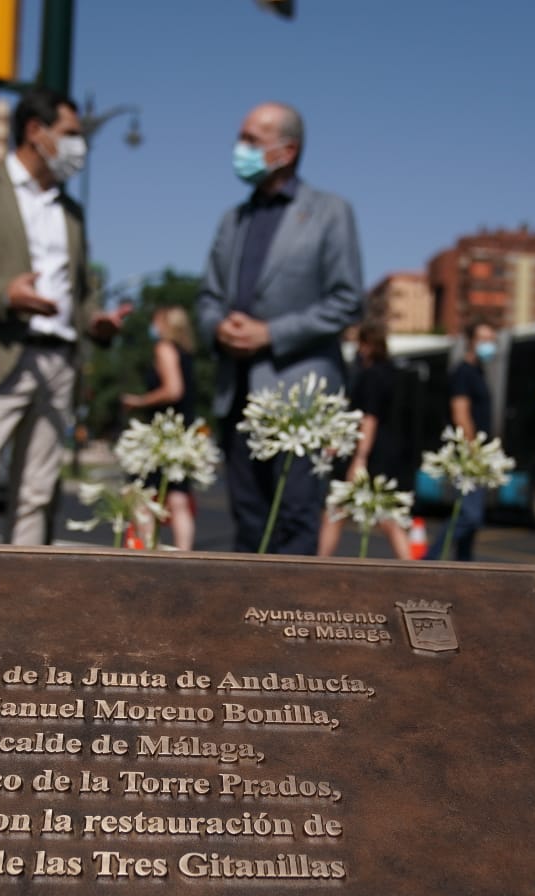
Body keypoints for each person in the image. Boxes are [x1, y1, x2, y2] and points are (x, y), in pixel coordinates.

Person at [0, 87, 126, 546]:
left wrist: (97, 320)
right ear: (35, 132)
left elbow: (82, 289)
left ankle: (20, 604)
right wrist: (3, 294)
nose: (80, 146)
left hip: (57, 363)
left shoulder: (71, 211)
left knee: (37, 494)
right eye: (71, 134)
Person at [196, 101, 364, 555]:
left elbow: (348, 301)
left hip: (300, 404)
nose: (239, 149)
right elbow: (208, 298)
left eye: (251, 140)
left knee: (294, 524)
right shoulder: (233, 220)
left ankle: (289, 627)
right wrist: (218, 328)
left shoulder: (330, 212)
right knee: (248, 525)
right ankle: (246, 626)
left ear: (286, 151)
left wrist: (270, 334)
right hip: (238, 399)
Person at [318, 320, 411, 559]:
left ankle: (319, 565)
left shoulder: (370, 375)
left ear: (367, 345)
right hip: (386, 452)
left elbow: (368, 419)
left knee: (338, 510)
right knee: (385, 513)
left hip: (370, 453)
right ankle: (414, 569)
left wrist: (359, 459)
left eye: (359, 343)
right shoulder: (391, 372)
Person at [120, 305, 200, 550]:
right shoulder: (186, 352)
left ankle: (146, 550)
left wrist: (140, 401)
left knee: (141, 494)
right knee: (178, 495)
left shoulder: (164, 348)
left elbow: (173, 389)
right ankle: (183, 555)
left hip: (161, 434)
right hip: (183, 432)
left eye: (156, 320)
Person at [425, 320, 498, 561]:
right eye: (484, 339)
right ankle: (429, 561)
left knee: (471, 521)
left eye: (492, 340)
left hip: (477, 454)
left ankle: (466, 568)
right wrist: (473, 451)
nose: (489, 345)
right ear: (471, 342)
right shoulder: (463, 374)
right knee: (469, 515)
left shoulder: (478, 372)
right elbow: (460, 414)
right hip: (469, 456)